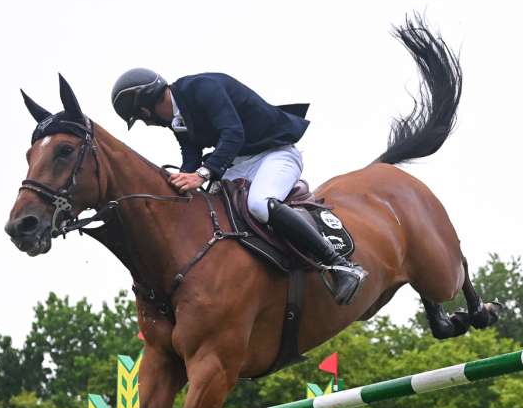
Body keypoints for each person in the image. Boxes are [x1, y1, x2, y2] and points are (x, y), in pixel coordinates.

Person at [110, 68, 367, 305]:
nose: (148, 123)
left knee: (259, 205)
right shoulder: (178, 118)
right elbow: (191, 153)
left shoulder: (202, 88)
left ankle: (340, 265)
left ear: (145, 110)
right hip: (238, 162)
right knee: (207, 207)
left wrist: (201, 174)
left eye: (143, 119)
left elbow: (233, 133)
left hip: (275, 154)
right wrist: (178, 181)